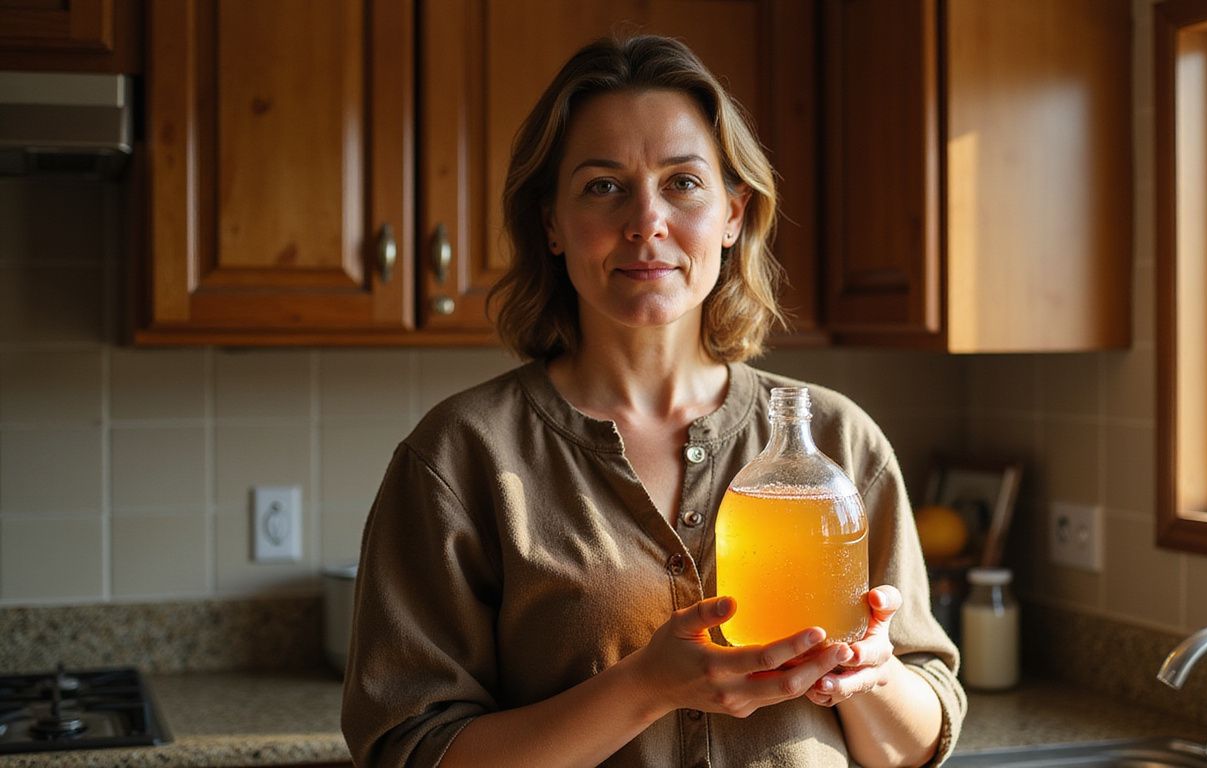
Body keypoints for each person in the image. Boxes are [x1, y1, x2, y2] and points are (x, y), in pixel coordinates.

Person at [341, 34, 965, 768]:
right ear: (551, 223)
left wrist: (872, 677)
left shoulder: (839, 441)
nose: (646, 223)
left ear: (734, 214)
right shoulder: (459, 457)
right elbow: (409, 752)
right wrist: (644, 688)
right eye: (604, 186)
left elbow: (918, 740)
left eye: (682, 182)